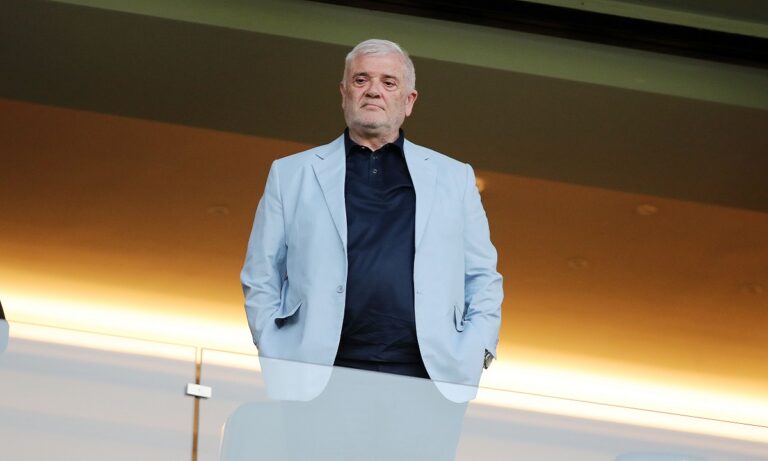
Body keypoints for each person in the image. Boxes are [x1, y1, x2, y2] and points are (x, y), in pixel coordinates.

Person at [241, 39, 502, 403]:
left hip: (429, 379)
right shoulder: (291, 174)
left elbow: (482, 277)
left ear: (409, 101)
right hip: (318, 375)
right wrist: (274, 351)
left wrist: (475, 352)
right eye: (361, 80)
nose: (373, 90)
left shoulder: (455, 178)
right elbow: (260, 273)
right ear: (344, 93)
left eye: (388, 82)